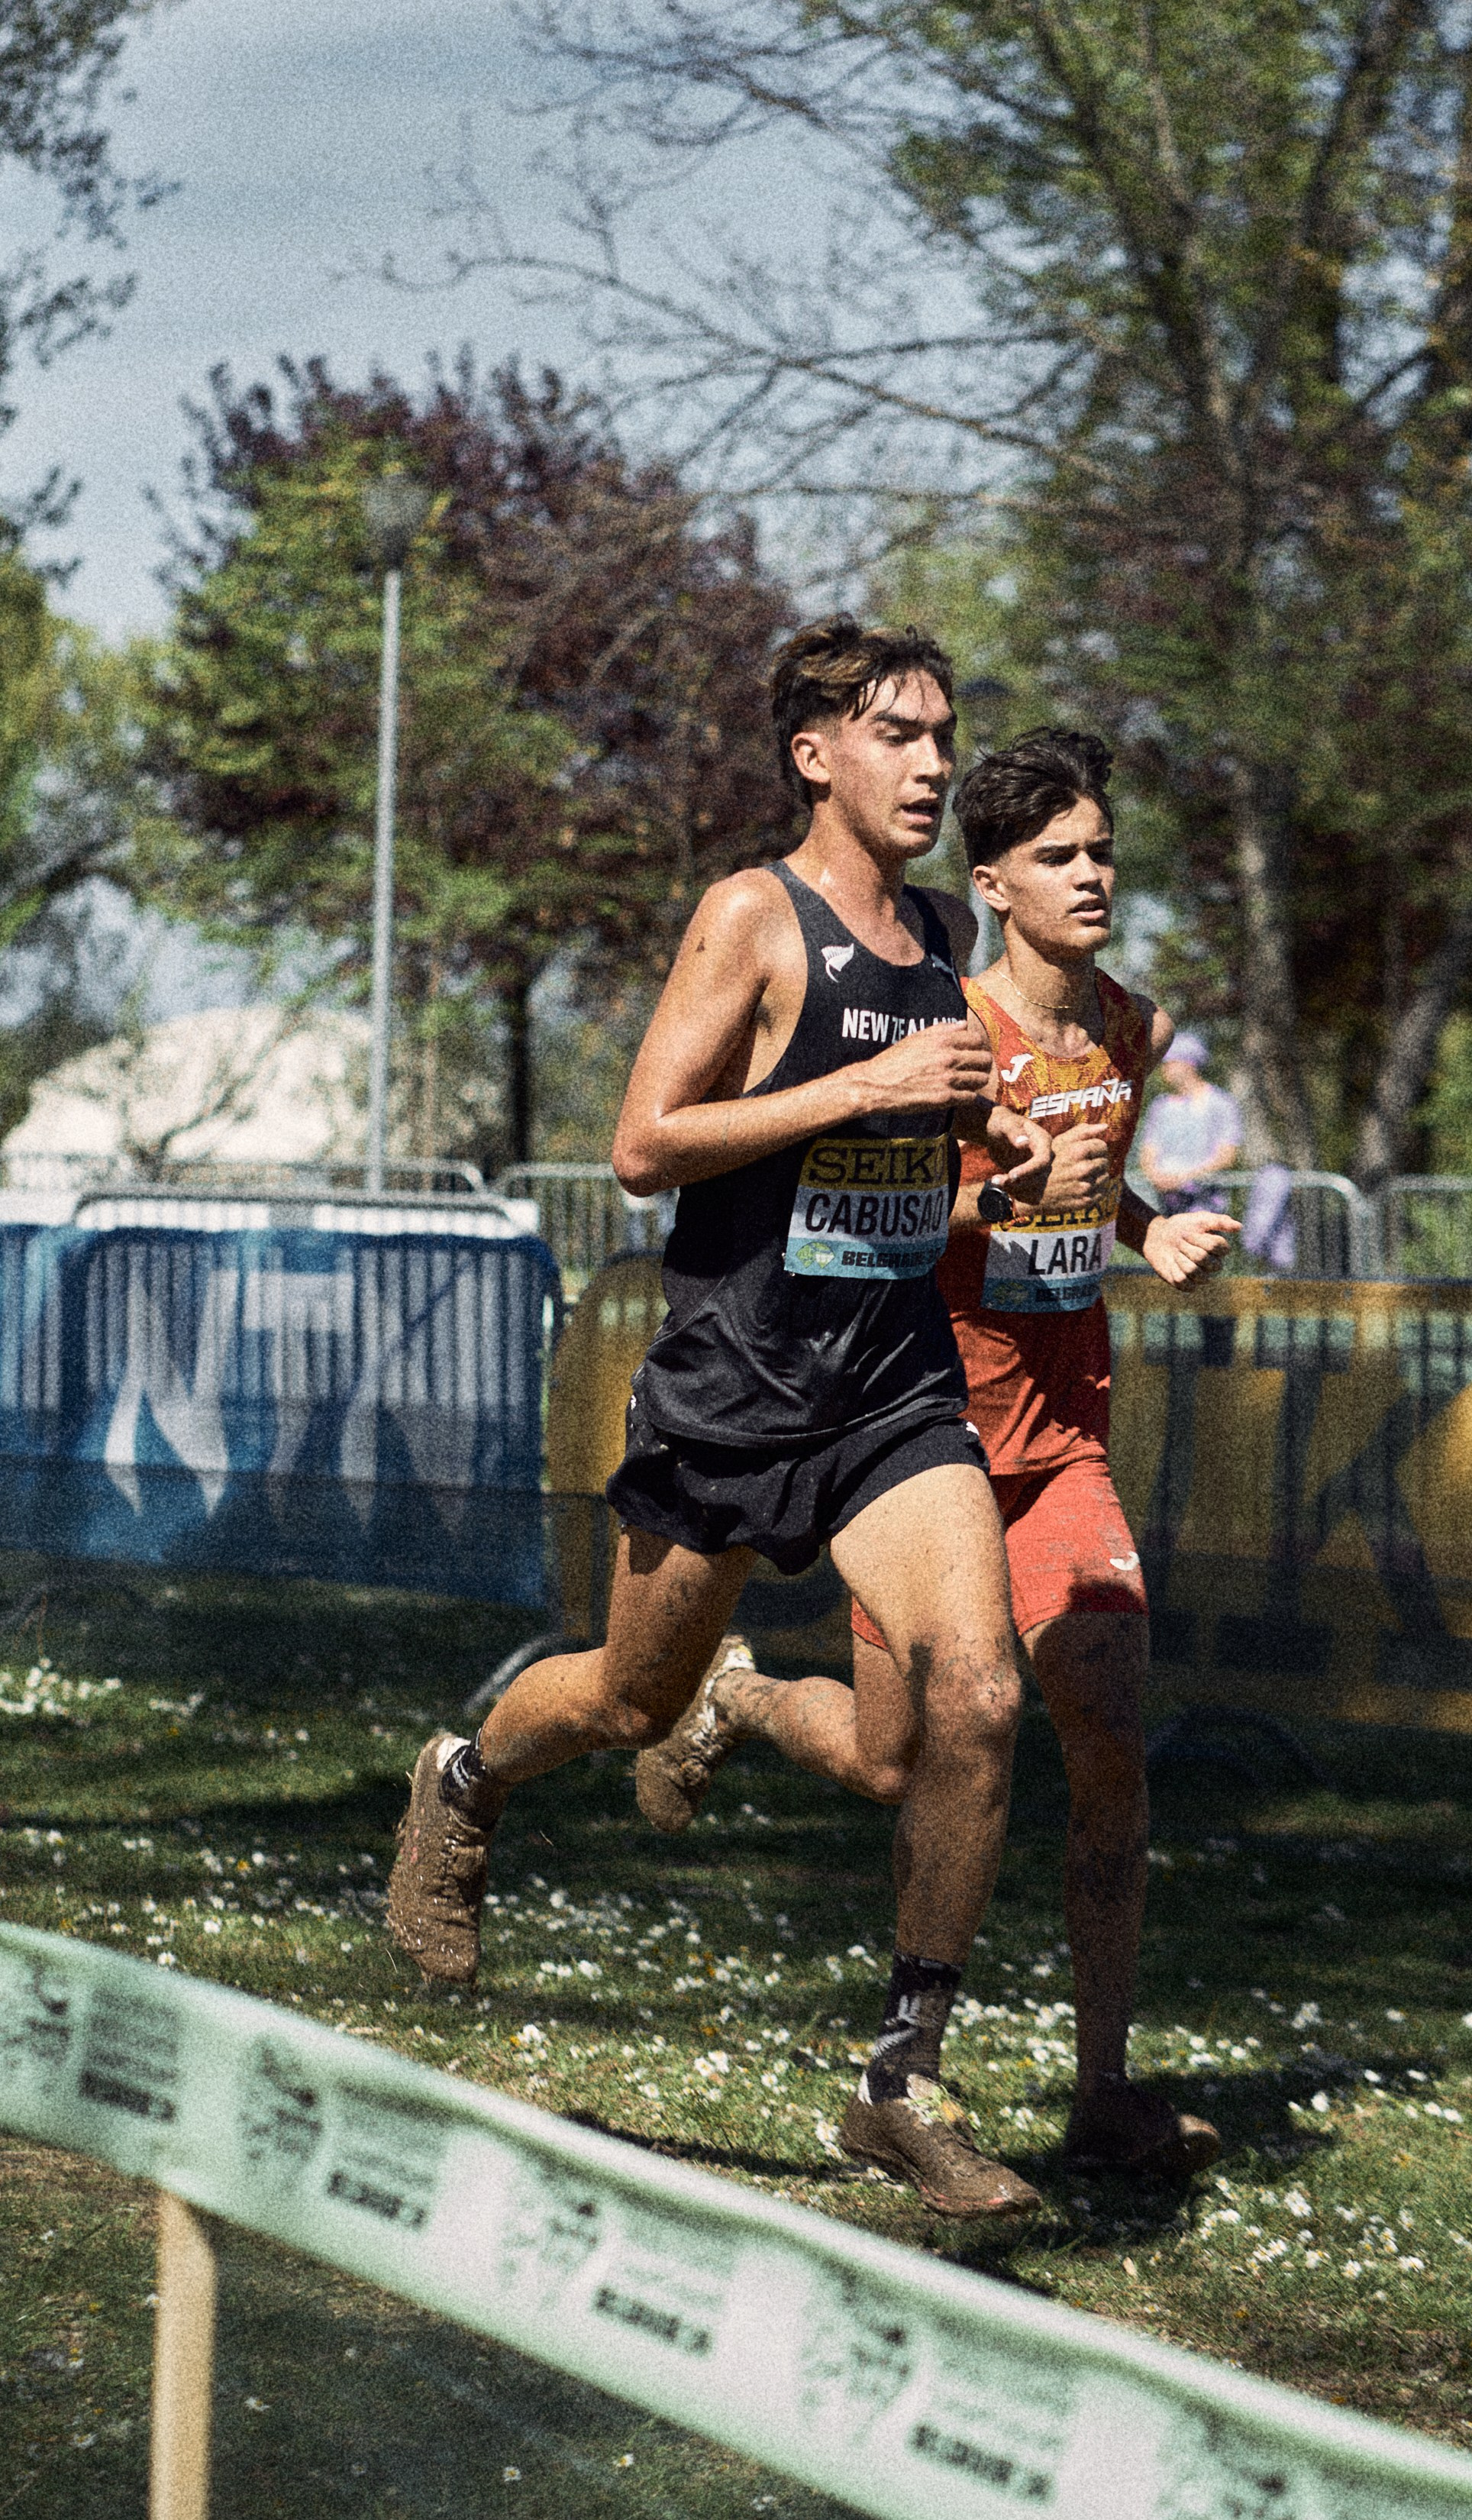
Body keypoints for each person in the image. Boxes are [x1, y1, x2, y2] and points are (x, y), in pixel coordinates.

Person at [389, 616, 1057, 2218]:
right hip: (732, 1388)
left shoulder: (940, 944)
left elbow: (914, 1167)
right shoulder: (751, 918)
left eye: (940, 736)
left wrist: (996, 1164)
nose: (931, 764)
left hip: (891, 1390)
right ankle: (466, 1779)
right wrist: (859, 1095)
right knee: (628, 1701)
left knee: (974, 1692)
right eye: (897, 734)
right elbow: (643, 1142)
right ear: (812, 755)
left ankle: (900, 2081)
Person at [636, 729, 1240, 2179]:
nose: (1094, 876)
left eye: (1104, 853)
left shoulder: (1132, 1028)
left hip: (1064, 1441)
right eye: (1062, 857)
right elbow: (885, 1215)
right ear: (993, 883)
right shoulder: (941, 1021)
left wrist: (1145, 1229)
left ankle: (1101, 2089)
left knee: (1103, 1726)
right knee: (892, 1757)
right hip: (924, 1433)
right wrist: (1008, 1201)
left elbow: (1106, 1178)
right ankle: (735, 1700)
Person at [1136, 1032, 1242, 1215]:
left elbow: (1227, 1155)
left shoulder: (1221, 1103)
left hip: (1206, 1203)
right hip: (1166, 1203)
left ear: (1189, 1064)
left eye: (1170, 1063)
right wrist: (1157, 1177)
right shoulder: (1160, 1106)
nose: (1164, 1070)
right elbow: (1148, 1152)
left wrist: (1184, 1179)